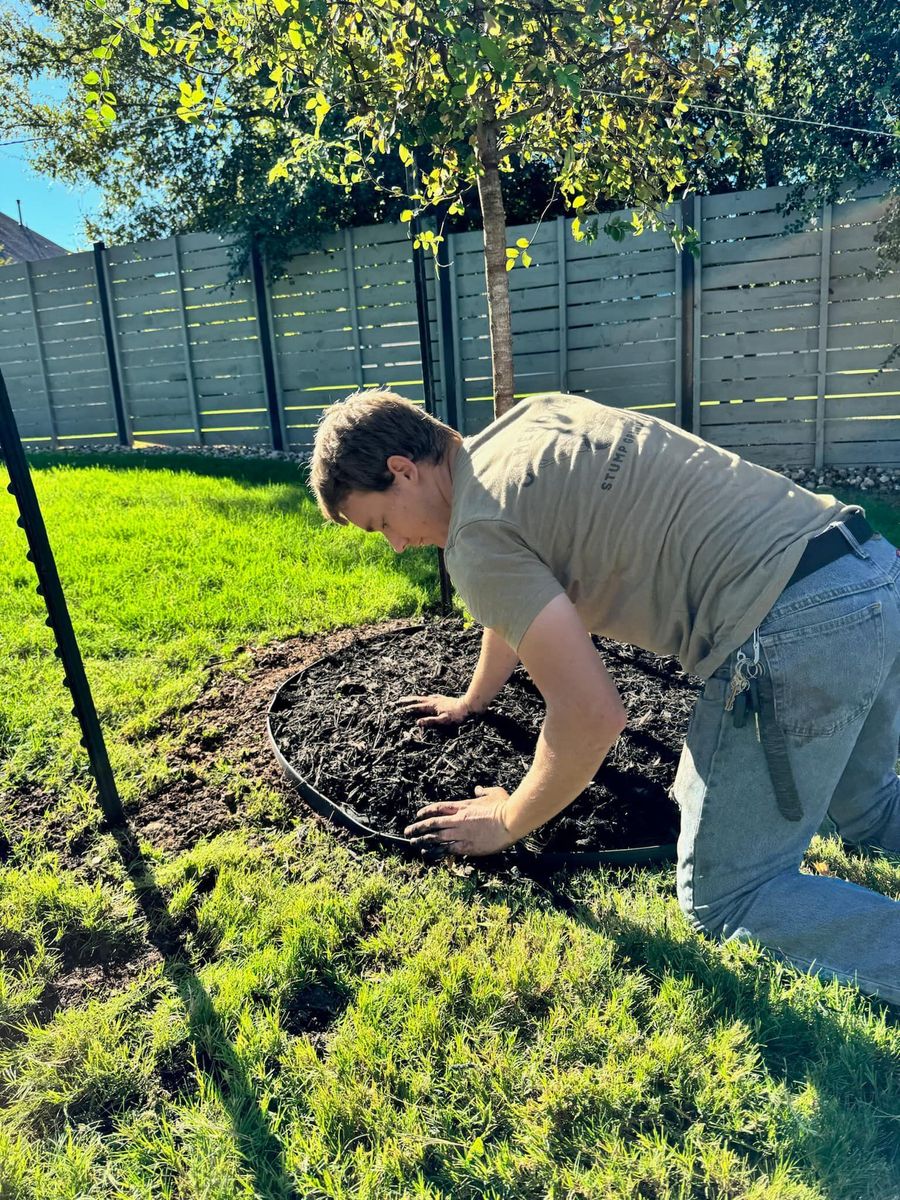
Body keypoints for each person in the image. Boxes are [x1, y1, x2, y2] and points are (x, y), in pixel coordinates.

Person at [310, 388, 900, 1005]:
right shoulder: (528, 423)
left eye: (381, 524)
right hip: (868, 570)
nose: (396, 545)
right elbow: (516, 605)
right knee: (868, 808)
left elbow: (592, 715)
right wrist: (472, 699)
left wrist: (508, 820)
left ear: (402, 471)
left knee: (728, 896)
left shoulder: (477, 539)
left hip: (797, 629)